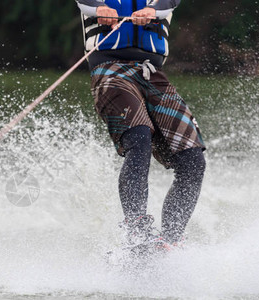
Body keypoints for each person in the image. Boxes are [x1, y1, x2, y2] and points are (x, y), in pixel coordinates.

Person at [76, 0, 206, 256]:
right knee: (140, 136)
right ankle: (136, 231)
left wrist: (153, 12)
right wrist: (99, 9)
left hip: (152, 73)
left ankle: (170, 241)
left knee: (193, 160)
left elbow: (169, 3)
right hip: (109, 71)